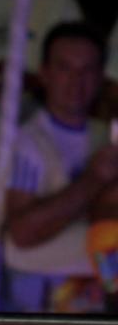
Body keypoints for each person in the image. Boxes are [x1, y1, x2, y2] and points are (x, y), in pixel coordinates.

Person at [7, 22, 118, 247]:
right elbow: (21, 233)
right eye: (64, 68)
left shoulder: (107, 136)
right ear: (44, 74)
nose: (76, 80)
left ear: (100, 77)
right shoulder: (25, 140)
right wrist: (93, 179)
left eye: (87, 70)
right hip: (45, 270)